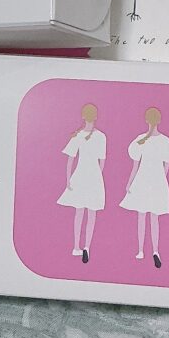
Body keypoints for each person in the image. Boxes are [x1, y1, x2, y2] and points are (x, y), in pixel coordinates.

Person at [120, 107, 169, 268]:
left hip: (142, 180)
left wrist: (129, 182)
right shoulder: (165, 141)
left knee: (141, 216)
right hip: (157, 181)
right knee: (154, 218)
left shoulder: (140, 140)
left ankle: (140, 250)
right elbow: (166, 166)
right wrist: (160, 181)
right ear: (159, 120)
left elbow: (135, 166)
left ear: (146, 120)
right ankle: (155, 250)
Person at [57, 103, 106, 263]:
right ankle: (87, 247)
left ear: (83, 116)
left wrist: (68, 179)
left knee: (79, 213)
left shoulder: (77, 136)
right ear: (96, 117)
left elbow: (70, 160)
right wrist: (97, 178)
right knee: (92, 213)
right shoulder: (101, 136)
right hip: (94, 177)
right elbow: (102, 161)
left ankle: (76, 246)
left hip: (80, 175)